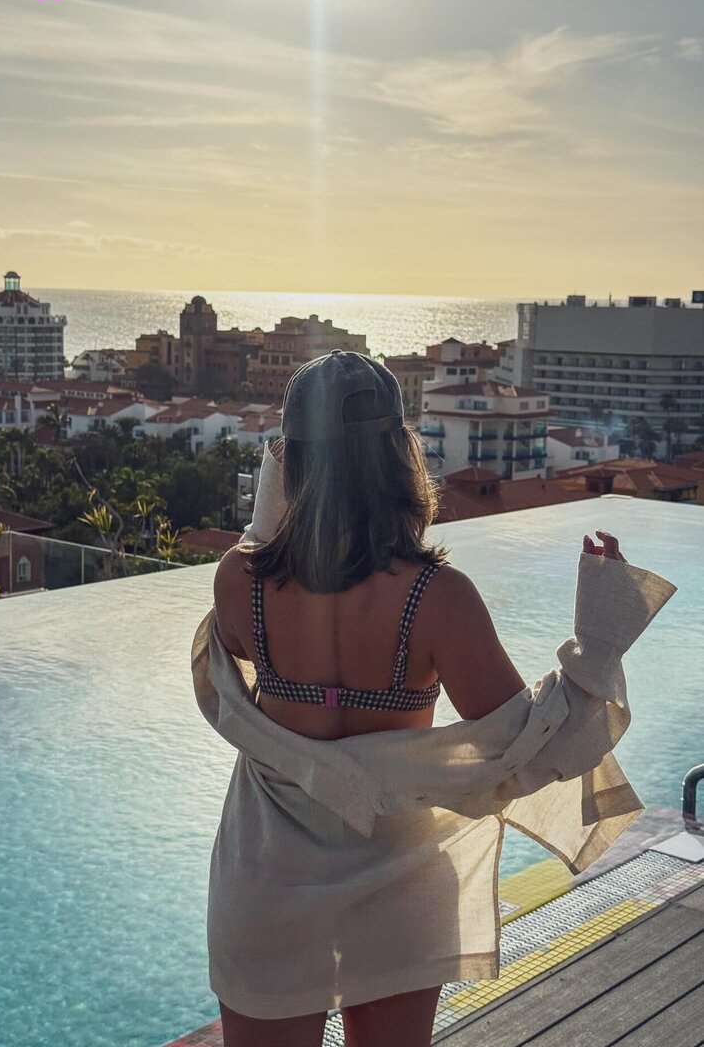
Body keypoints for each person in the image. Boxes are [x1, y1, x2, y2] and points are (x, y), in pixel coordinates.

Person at [195, 350, 675, 1047]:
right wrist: (599, 635)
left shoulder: (238, 581)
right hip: (399, 875)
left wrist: (287, 489)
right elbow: (529, 745)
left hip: (268, 873)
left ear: (290, 458)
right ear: (399, 457)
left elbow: (258, 567)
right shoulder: (438, 599)